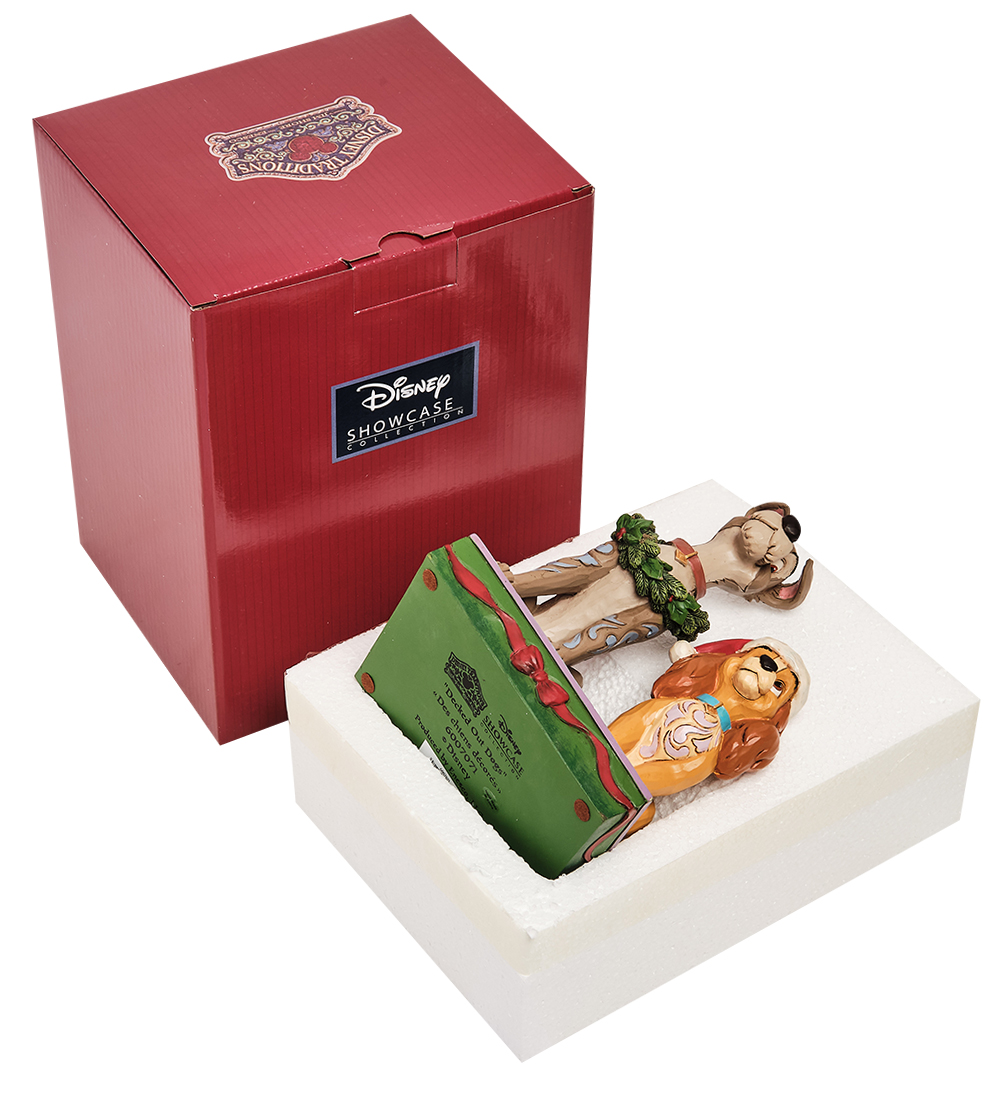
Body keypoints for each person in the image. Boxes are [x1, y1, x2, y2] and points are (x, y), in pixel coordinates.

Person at [501, 503, 813, 664]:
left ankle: (550, 657)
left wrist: (780, 560)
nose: (781, 532)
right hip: (657, 551)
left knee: (604, 630)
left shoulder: (757, 573)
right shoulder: (743, 526)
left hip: (677, 593)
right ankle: (512, 585)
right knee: (586, 567)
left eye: (781, 565)